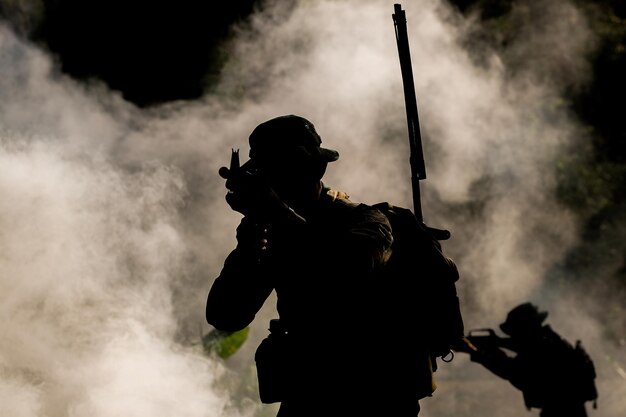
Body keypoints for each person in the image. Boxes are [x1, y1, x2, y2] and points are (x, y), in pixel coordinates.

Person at [206, 115, 459, 416]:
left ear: (314, 169)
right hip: (311, 396)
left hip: (378, 397)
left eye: (285, 170)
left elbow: (349, 270)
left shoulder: (366, 221)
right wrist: (248, 251)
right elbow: (225, 316)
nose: (277, 183)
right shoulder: (274, 231)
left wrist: (276, 214)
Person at [456, 302, 597, 417]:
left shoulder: (543, 347)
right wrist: (493, 346)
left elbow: (512, 371)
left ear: (525, 329)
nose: (513, 336)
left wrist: (475, 352)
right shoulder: (550, 342)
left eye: (516, 332)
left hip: (560, 411)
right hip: (569, 409)